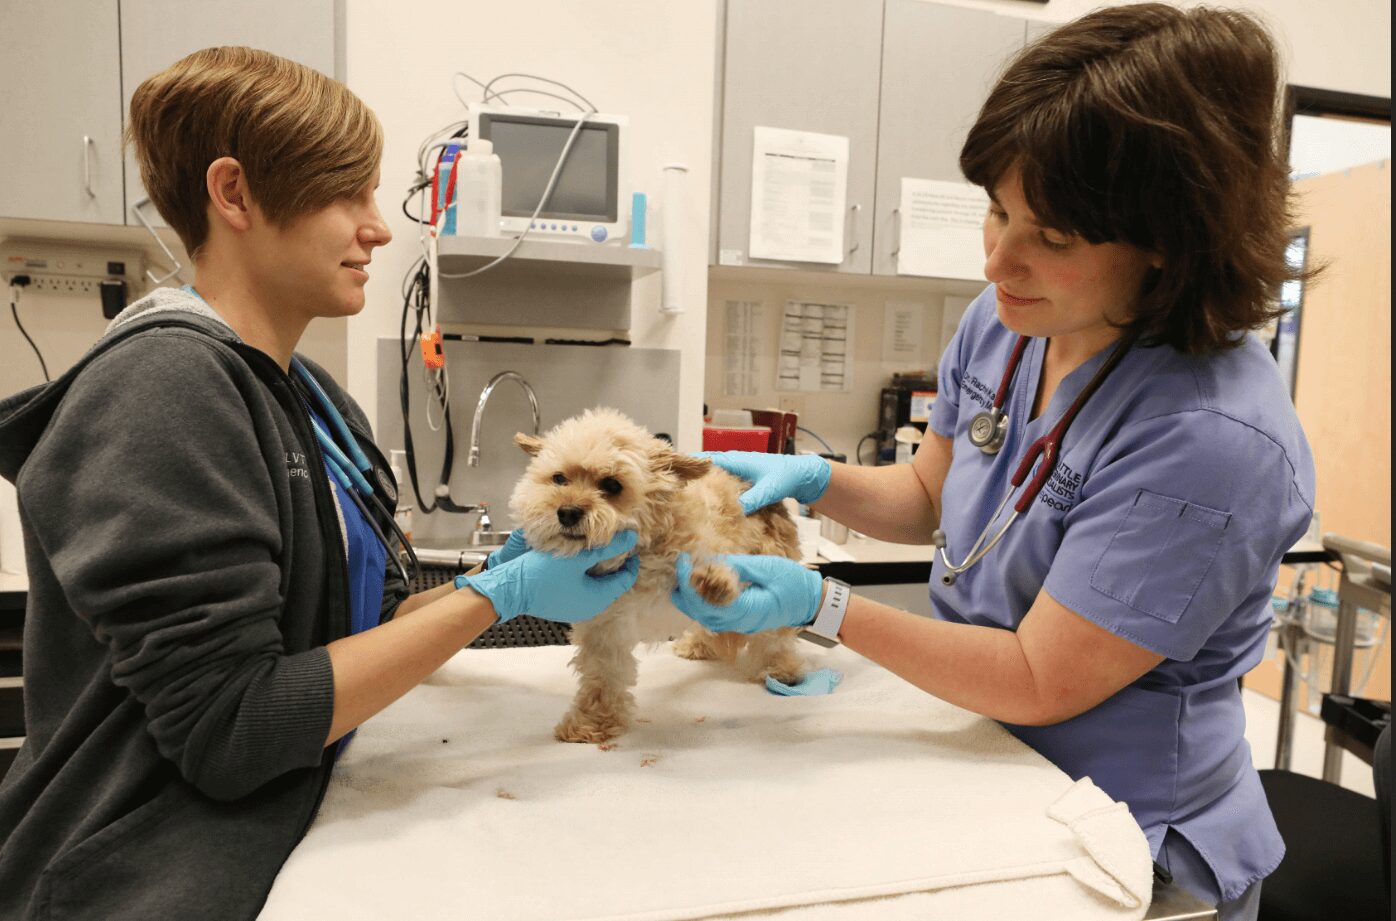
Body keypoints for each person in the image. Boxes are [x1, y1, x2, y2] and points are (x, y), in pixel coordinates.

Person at [672, 6, 1313, 919]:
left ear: (1173, 242)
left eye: (1052, 237)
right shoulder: (1011, 319)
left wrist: (825, 604)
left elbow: (1039, 676)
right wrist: (811, 479)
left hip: (1123, 841)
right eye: (997, 210)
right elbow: (930, 494)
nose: (999, 256)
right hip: (990, 757)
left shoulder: (1210, 438)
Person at [0, 47, 636, 920]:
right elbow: (233, 729)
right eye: (349, 195)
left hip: (290, 833)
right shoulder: (161, 388)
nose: (377, 227)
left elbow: (365, 643)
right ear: (235, 195)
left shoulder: (312, 398)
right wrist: (498, 596)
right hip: (145, 871)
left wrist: (509, 577)